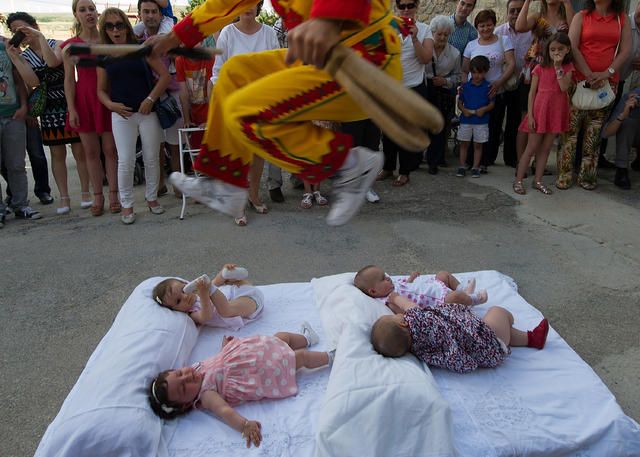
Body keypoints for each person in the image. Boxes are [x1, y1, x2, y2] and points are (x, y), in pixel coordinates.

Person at [150, 0, 403, 227]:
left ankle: (350, 164)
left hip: (363, 65)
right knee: (233, 72)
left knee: (246, 107)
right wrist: (173, 38)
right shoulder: (232, 31)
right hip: (325, 58)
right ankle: (225, 183)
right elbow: (222, 4)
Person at [148, 327, 333, 448]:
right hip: (262, 371)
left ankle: (307, 338)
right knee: (299, 358)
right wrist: (244, 425)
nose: (187, 377)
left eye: (180, 373)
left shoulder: (196, 368)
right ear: (185, 405)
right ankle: (330, 357)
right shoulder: (206, 395)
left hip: (255, 353)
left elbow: (216, 363)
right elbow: (224, 410)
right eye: (183, 388)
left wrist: (224, 350)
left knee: (281, 338)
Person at [6, 12, 91, 215]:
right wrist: (14, 57)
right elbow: (33, 82)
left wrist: (39, 37)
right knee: (57, 152)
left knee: (79, 150)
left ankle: (86, 193)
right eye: (14, 31)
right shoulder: (24, 56)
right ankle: (64, 197)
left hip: (69, 99)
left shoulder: (57, 43)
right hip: (48, 106)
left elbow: (53, 62)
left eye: (22, 29)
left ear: (34, 25)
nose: (20, 34)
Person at [210, 2, 280, 226]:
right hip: (235, 103)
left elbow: (278, 70)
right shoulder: (227, 35)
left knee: (258, 152)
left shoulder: (269, 34)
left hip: (261, 103)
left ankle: (254, 194)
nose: (248, 6)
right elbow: (218, 72)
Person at [96, 8, 168, 225]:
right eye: (110, 26)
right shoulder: (104, 55)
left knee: (151, 158)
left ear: (126, 26)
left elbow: (164, 77)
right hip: (122, 115)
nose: (115, 30)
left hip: (147, 112)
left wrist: (150, 99)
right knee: (125, 160)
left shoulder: (141, 48)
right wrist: (110, 105)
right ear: (104, 30)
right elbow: (100, 89)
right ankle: (127, 204)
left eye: (119, 24)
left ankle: (152, 198)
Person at [557, 0, 630, 190]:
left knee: (594, 135)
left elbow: (626, 50)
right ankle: (564, 176)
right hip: (579, 82)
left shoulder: (622, 19)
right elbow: (572, 48)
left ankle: (587, 177)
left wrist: (607, 73)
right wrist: (589, 74)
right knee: (570, 134)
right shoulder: (581, 16)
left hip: (606, 86)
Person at [370, 298, 549, 373]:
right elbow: (411, 307)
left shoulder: (419, 349)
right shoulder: (418, 322)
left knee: (499, 335)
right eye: (395, 316)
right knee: (498, 312)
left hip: (487, 354)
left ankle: (532, 339)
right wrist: (395, 298)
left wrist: (394, 311)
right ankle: (522, 334)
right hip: (486, 339)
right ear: (402, 323)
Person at [63, 0, 120, 216]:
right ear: (76, 15)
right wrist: (72, 108)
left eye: (91, 9)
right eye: (83, 10)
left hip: (106, 97)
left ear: (97, 13)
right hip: (83, 99)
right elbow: (69, 80)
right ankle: (98, 197)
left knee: (111, 150)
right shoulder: (71, 45)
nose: (88, 13)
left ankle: (114, 195)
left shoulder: (109, 40)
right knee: (90, 151)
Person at [377, 0, 432, 187]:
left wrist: (415, 38)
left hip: (413, 87)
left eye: (410, 5)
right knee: (389, 131)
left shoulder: (425, 29)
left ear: (417, 7)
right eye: (402, 6)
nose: (406, 9)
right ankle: (388, 167)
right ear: (396, 8)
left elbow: (425, 59)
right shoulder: (388, 28)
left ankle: (405, 171)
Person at [515, 0, 573, 173]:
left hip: (556, 74)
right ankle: (521, 163)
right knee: (527, 119)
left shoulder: (565, 17)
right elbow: (520, 26)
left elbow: (576, 30)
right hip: (534, 71)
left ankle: (537, 165)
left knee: (546, 122)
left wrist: (567, 3)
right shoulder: (537, 16)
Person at [513, 32, 573, 195]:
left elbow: (563, 87)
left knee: (545, 149)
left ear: (567, 49)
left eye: (560, 49)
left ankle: (538, 180)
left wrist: (558, 67)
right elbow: (532, 93)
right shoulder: (539, 68)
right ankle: (518, 180)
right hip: (540, 111)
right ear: (548, 51)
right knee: (531, 147)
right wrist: (530, 115)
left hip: (555, 111)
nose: (556, 53)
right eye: (553, 49)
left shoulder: (567, 68)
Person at [138, 0, 184, 198]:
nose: (150, 15)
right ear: (140, 14)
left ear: (160, 14)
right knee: (155, 145)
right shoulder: (135, 36)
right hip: (149, 96)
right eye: (146, 11)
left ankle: (178, 185)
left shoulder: (170, 33)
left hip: (171, 95)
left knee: (175, 143)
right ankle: (159, 183)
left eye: (154, 11)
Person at [462, 9, 516, 173]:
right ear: (477, 27)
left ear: (494, 24)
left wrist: (498, 83)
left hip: (494, 92)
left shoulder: (503, 40)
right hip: (475, 95)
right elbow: (465, 69)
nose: (485, 29)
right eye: (481, 26)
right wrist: (465, 89)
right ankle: (470, 160)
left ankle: (486, 161)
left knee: (492, 127)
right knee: (472, 126)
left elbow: (511, 64)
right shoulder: (471, 45)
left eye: (489, 25)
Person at [0, 35, 40, 225]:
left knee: (16, 164)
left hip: (13, 115)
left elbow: (18, 80)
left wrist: (24, 106)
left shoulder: (6, 45)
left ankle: (21, 205)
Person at [152, 264, 264, 329]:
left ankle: (229, 274)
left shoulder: (198, 292)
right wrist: (205, 294)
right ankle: (226, 281)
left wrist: (223, 274)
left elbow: (216, 282)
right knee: (225, 311)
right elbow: (206, 317)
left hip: (240, 289)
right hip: (250, 302)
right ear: (174, 310)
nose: (185, 297)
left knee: (222, 281)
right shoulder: (192, 313)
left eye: (183, 290)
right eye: (178, 301)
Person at [494, 0, 532, 167]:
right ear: (507, 12)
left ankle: (511, 159)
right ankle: (489, 158)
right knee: (495, 121)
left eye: (519, 10)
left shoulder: (531, 33)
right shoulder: (499, 32)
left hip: (522, 83)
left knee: (514, 122)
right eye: (512, 11)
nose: (515, 14)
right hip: (502, 83)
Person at [424, 15, 462, 175]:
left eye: (446, 34)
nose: (442, 37)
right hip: (425, 89)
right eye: (439, 34)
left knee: (438, 128)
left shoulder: (455, 53)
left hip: (442, 93)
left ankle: (434, 161)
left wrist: (445, 81)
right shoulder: (425, 49)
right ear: (432, 33)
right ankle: (417, 158)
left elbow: (458, 76)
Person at [354, 265, 487, 309]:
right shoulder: (390, 301)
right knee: (454, 297)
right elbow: (408, 311)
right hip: (438, 302)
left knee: (443, 274)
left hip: (434, 287)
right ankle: (474, 300)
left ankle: (463, 290)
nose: (388, 277)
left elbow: (407, 285)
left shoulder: (392, 285)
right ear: (373, 291)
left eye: (385, 275)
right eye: (383, 278)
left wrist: (411, 278)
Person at [456, 55, 494, 178]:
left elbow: (492, 103)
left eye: (480, 73)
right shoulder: (465, 87)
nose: (477, 76)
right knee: (464, 143)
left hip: (481, 121)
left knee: (478, 144)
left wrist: (484, 109)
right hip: (466, 119)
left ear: (486, 72)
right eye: (474, 73)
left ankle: (476, 167)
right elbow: (460, 102)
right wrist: (464, 110)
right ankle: (462, 166)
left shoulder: (488, 87)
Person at [601, 90, 640, 189]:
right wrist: (623, 115)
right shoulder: (633, 96)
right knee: (627, 122)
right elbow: (606, 133)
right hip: (635, 135)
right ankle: (621, 169)